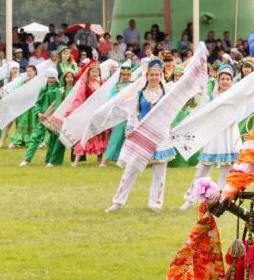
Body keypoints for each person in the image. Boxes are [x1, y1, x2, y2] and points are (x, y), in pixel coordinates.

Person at [107, 59, 175, 212]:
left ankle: (155, 202)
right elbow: (133, 113)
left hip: (160, 135)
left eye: (157, 74)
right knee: (131, 168)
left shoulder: (167, 93)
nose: (155, 77)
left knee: (159, 170)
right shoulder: (139, 93)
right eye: (152, 74)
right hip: (142, 134)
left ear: (161, 75)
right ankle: (118, 201)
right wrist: (131, 129)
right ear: (147, 75)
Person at [181, 64, 242, 210]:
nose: (225, 81)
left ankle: (219, 201)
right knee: (203, 168)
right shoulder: (211, 97)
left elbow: (240, 111)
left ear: (231, 81)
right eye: (222, 78)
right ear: (218, 80)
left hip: (229, 134)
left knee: (226, 170)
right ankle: (190, 198)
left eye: (228, 79)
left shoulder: (235, 96)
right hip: (215, 135)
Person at [19, 64, 63, 167]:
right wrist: (38, 113)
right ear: (46, 78)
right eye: (49, 78)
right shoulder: (43, 89)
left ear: (56, 78)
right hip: (42, 117)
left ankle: (50, 161)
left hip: (53, 118)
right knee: (36, 138)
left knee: (52, 139)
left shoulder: (60, 90)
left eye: (53, 77)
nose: (51, 80)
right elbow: (37, 103)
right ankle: (27, 159)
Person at [69, 62, 111, 166]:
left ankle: (100, 160)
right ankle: (76, 161)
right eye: (93, 71)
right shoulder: (85, 84)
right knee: (85, 136)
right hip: (89, 114)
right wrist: (74, 110)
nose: (95, 73)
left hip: (100, 113)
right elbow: (79, 98)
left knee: (101, 135)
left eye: (97, 71)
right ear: (89, 72)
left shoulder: (102, 83)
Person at [102, 63, 134, 165]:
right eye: (124, 75)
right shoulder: (117, 86)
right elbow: (112, 99)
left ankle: (125, 160)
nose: (125, 77)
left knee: (129, 139)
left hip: (131, 116)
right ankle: (104, 160)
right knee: (115, 138)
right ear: (120, 75)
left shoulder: (134, 85)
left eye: (128, 75)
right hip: (120, 116)